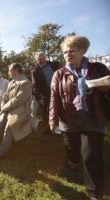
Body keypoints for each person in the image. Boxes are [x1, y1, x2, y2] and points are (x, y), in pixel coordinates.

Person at [49, 36, 110, 200]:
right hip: (69, 120)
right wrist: (52, 120)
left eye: (71, 51)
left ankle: (95, 192)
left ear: (82, 50)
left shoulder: (98, 68)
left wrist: (104, 88)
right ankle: (74, 160)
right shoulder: (59, 74)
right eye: (65, 52)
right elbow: (54, 98)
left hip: (93, 119)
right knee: (71, 147)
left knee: (91, 155)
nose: (67, 54)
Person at [0, 63, 32, 161]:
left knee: (9, 127)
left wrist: (5, 108)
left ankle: (1, 153)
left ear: (16, 71)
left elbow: (18, 100)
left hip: (21, 110)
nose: (8, 73)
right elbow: (5, 96)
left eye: (9, 70)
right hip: (9, 109)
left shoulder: (25, 82)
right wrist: (3, 106)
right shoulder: (12, 82)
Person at [31, 52, 60, 134]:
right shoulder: (35, 71)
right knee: (48, 112)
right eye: (39, 59)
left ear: (45, 58)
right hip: (46, 94)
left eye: (43, 58)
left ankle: (61, 129)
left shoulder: (54, 65)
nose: (41, 60)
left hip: (59, 90)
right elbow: (34, 86)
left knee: (61, 110)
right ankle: (49, 131)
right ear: (36, 61)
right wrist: (39, 98)